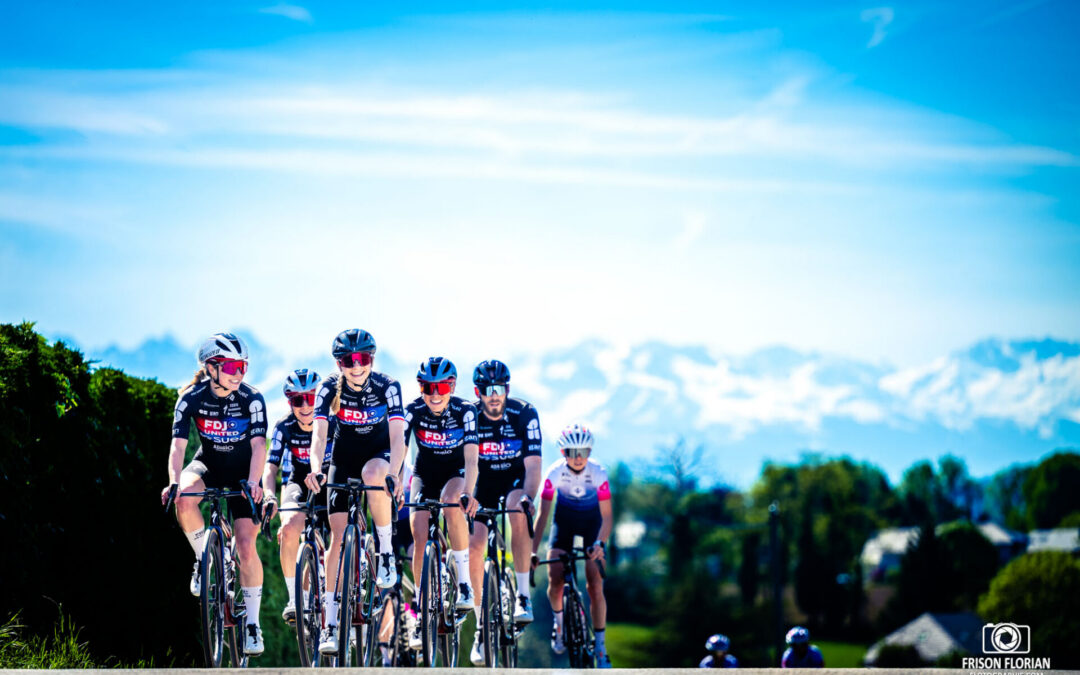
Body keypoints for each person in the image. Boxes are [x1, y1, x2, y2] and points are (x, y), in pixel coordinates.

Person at [160, 332, 268, 655]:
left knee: (247, 547)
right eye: (233, 366)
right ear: (212, 367)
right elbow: (178, 447)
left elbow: (259, 445)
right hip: (207, 464)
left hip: (243, 474)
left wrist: (253, 481)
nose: (239, 373)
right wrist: (173, 481)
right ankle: (204, 558)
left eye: (243, 367)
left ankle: (252, 624)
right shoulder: (190, 398)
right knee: (183, 497)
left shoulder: (252, 398)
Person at [306, 329, 407, 654]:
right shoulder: (326, 388)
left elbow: (397, 436)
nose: (356, 366)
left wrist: (395, 474)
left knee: (373, 472)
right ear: (340, 363)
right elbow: (319, 437)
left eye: (363, 359)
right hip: (343, 459)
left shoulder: (387, 386)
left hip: (381, 457)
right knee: (337, 537)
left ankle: (386, 552)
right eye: (349, 361)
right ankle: (331, 625)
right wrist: (315, 468)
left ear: (371, 359)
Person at [467, 359, 542, 665]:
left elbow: (534, 466)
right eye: (487, 389)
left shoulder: (524, 413)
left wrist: (528, 497)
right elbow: (466, 465)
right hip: (482, 484)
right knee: (473, 547)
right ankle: (481, 625)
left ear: (507, 389)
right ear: (478, 391)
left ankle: (522, 595)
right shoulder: (469, 415)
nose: (494, 395)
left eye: (499, 389)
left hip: (514, 481)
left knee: (516, 508)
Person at [404, 357, 480, 649]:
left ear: (453, 386)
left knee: (451, 504)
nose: (435, 394)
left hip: (456, 473)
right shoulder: (414, 409)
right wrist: (396, 479)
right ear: (421, 387)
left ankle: (463, 583)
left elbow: (472, 458)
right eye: (428, 387)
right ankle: (423, 609)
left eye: (442, 387)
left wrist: (469, 493)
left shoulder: (466, 411)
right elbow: (400, 447)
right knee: (418, 532)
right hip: (424, 474)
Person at [532, 423, 614, 668]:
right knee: (555, 579)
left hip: (592, 524)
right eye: (572, 452)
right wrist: (534, 550)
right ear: (563, 453)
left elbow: (607, 517)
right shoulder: (554, 473)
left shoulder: (599, 472)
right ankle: (560, 625)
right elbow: (543, 516)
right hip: (564, 521)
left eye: (583, 452)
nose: (578, 458)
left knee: (594, 585)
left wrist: (600, 543)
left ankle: (600, 646)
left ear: (589, 452)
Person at [260, 369, 334, 624]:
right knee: (290, 528)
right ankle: (295, 598)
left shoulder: (332, 423)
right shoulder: (284, 426)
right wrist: (269, 495)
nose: (305, 405)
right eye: (296, 399)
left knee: (342, 534)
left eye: (311, 398)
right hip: (297, 482)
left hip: (330, 481)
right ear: (289, 401)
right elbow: (270, 468)